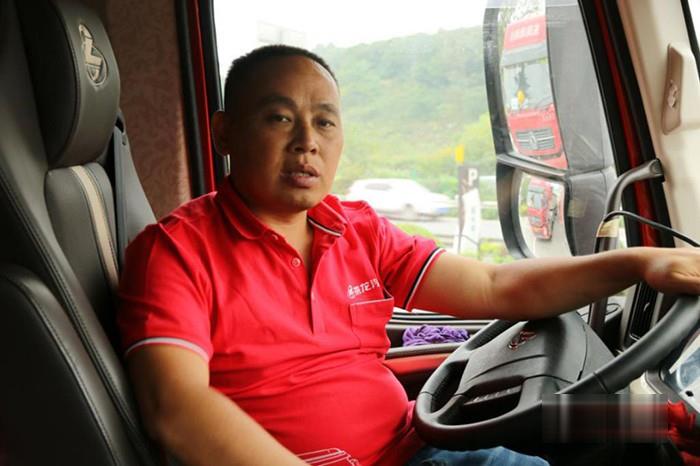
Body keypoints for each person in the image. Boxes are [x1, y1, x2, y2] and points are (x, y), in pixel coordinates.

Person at [117, 45, 700, 466]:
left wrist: (637, 264)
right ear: (223, 133)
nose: (307, 142)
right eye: (279, 118)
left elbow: (495, 287)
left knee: (627, 438)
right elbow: (177, 408)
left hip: (417, 448)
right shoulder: (174, 251)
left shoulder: (356, 229)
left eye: (324, 122)